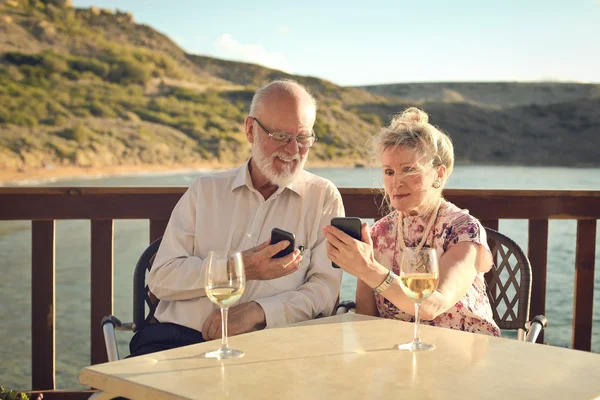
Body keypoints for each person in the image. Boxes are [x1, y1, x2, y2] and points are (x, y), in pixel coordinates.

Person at [130, 80, 345, 356]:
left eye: (302, 138)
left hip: (270, 346)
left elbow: (324, 291)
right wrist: (240, 267)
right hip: (176, 340)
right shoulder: (205, 190)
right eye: (281, 136)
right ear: (250, 130)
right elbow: (161, 279)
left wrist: (259, 312)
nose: (293, 151)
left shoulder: (323, 197)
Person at [324, 107, 500, 336]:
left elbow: (432, 306)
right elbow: (366, 319)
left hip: (464, 352)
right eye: (389, 171)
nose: (396, 182)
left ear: (439, 174)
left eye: (408, 170)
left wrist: (368, 269)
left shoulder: (464, 229)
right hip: (399, 355)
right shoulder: (379, 233)